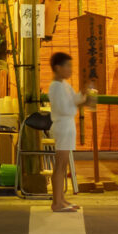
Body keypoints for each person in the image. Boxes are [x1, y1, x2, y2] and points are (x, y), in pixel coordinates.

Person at [47, 51, 94, 213]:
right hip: (62, 126)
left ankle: (60, 199)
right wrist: (81, 103)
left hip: (67, 126)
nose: (70, 70)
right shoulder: (55, 87)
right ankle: (56, 202)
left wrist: (83, 93)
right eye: (68, 66)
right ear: (57, 68)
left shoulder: (64, 85)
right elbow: (66, 108)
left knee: (62, 165)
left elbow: (74, 100)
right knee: (60, 165)